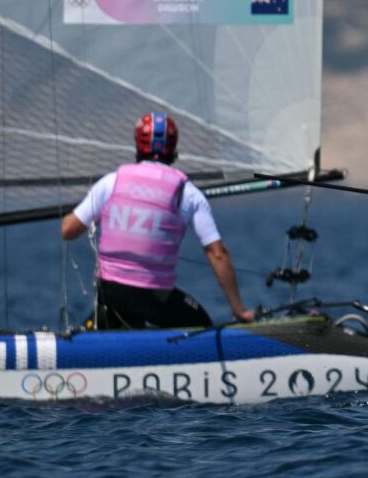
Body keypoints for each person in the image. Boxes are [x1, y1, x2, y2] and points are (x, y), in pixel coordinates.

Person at [60, 111, 255, 331]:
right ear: (173, 149)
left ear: (137, 144)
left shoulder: (111, 182)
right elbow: (217, 253)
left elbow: (68, 229)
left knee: (117, 315)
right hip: (154, 298)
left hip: (111, 294)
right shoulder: (187, 193)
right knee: (201, 327)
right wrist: (239, 310)